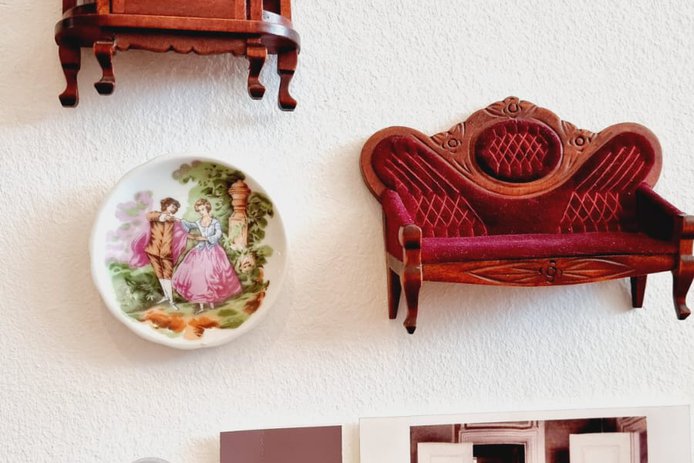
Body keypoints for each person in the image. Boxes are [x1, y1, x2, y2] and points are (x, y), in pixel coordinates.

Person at [172, 198, 242, 313]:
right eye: (199, 210)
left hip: (213, 251)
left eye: (203, 209)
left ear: (207, 208)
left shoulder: (214, 222)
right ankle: (201, 307)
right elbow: (188, 224)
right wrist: (178, 220)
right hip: (200, 250)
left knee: (211, 275)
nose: (201, 212)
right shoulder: (198, 222)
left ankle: (212, 303)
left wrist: (205, 238)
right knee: (198, 277)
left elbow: (218, 234)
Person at [139, 197, 186, 309]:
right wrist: (162, 216)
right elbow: (149, 216)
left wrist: (178, 221)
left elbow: (182, 232)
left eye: (175, 207)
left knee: (167, 276)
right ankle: (166, 296)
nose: (174, 208)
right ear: (166, 205)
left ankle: (171, 301)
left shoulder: (173, 220)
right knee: (160, 275)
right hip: (153, 250)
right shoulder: (155, 214)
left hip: (166, 252)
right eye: (172, 206)